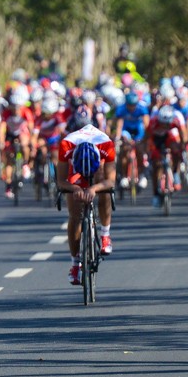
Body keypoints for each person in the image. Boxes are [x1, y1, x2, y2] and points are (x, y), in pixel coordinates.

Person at [56, 125, 117, 285]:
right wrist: (75, 188)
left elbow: (110, 181)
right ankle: (75, 265)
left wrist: (94, 188)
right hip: (75, 171)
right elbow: (61, 181)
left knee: (105, 190)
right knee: (75, 215)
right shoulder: (66, 145)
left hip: (99, 170)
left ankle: (105, 234)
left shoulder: (106, 144)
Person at [111, 91, 150, 190]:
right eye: (130, 105)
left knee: (140, 150)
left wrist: (146, 138)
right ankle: (124, 176)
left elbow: (146, 125)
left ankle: (141, 175)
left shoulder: (142, 108)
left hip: (138, 129)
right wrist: (118, 138)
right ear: (126, 104)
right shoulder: (122, 109)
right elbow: (119, 125)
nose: (132, 107)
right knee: (125, 150)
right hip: (126, 129)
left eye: (134, 105)